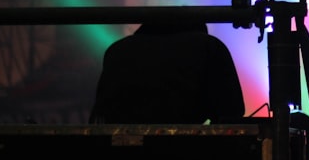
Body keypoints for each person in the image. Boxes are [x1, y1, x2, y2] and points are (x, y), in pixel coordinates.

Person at [90, 19, 245, 124]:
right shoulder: (209, 47)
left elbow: (101, 114)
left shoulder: (118, 50)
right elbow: (232, 112)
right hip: (186, 159)